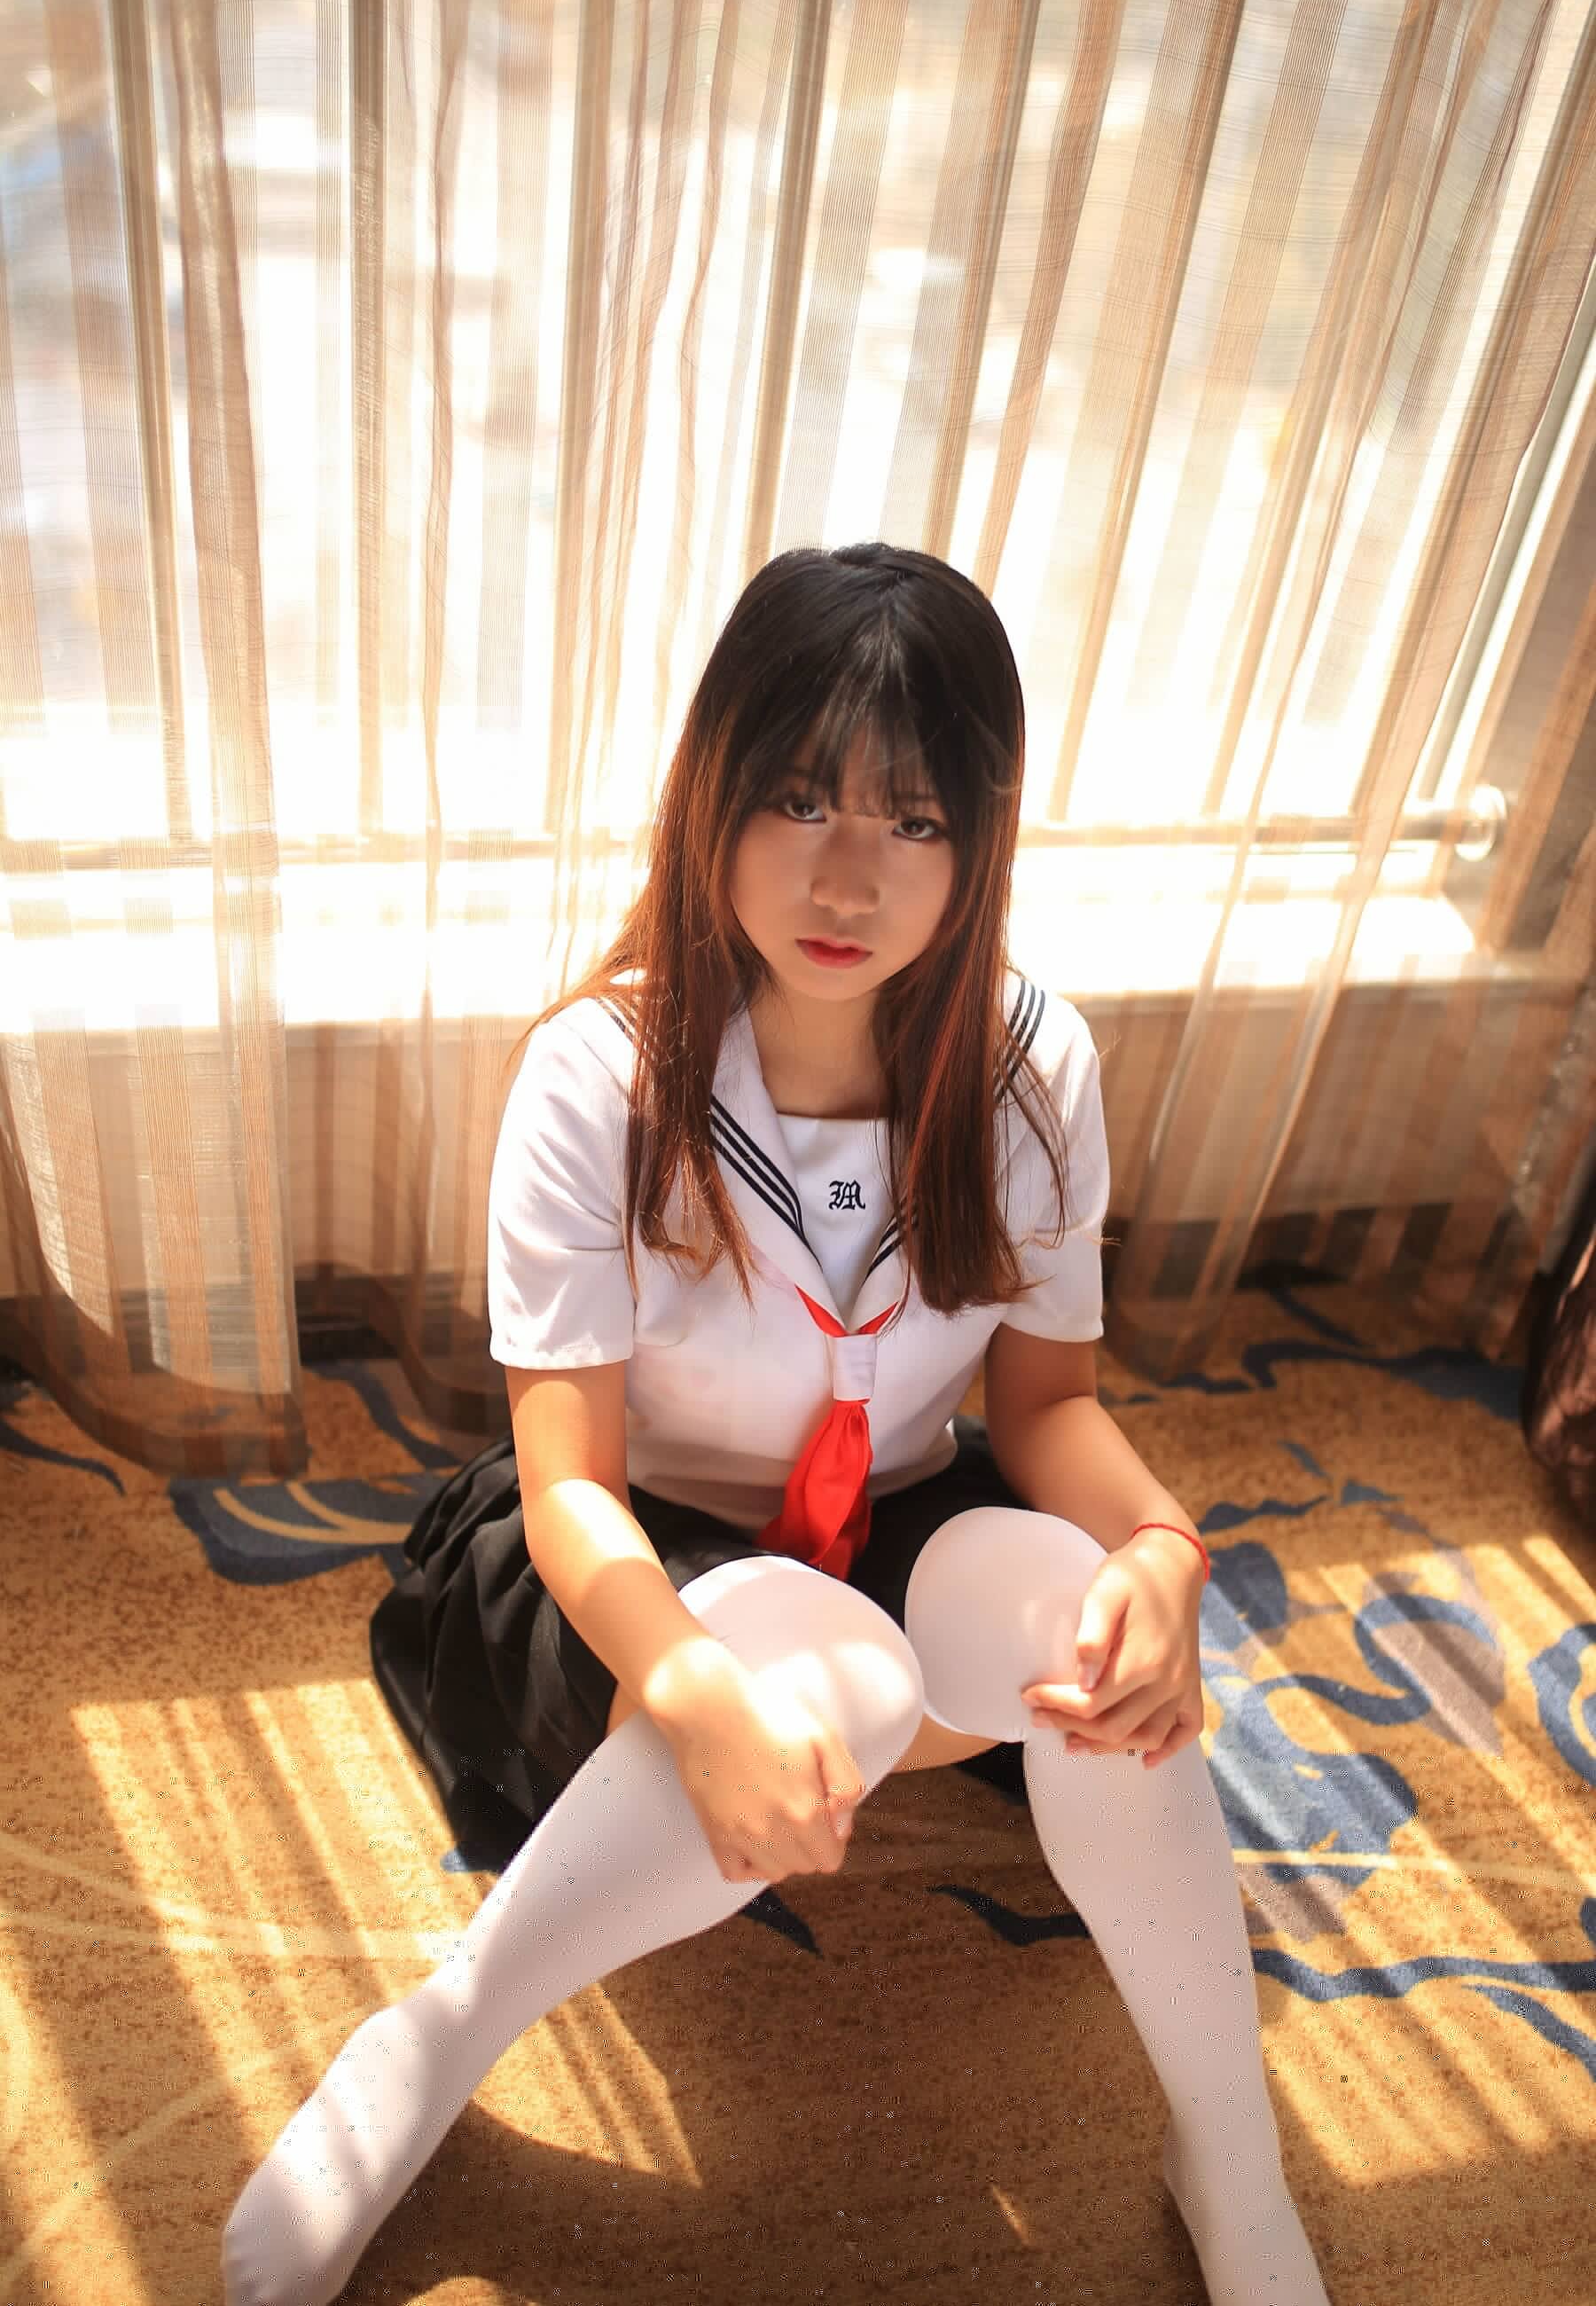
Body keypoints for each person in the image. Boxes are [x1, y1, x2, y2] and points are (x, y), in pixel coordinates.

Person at [222, 543, 1332, 2306]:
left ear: (981, 839)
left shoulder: (1031, 1067)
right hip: (639, 1566)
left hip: (896, 1512)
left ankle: (1232, 2156)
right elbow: (568, 1488)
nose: (846, 874)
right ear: (714, 789)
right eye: (800, 797)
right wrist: (685, 1684)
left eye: (913, 817)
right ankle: (438, 2036)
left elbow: (1047, 1405)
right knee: (844, 1680)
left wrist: (1161, 1550)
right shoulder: (603, 1073)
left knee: (1086, 1632)